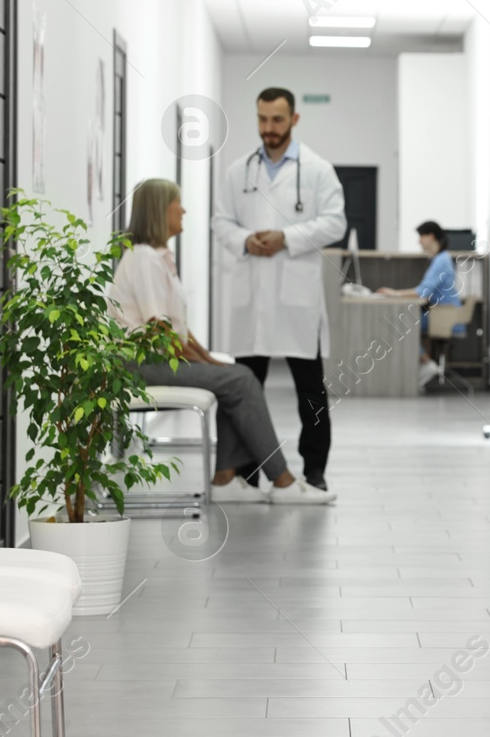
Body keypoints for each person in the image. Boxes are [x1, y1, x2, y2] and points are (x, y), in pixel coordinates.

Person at [109, 178, 335, 505]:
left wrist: (211, 361)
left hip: (154, 361)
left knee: (235, 372)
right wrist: (205, 362)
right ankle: (283, 482)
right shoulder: (143, 259)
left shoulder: (157, 258)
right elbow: (159, 331)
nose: (183, 210)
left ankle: (226, 478)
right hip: (138, 367)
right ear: (160, 210)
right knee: (240, 380)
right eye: (177, 203)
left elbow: (179, 330)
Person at [212, 87, 347, 492]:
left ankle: (315, 469)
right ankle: (247, 469)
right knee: (245, 388)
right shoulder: (239, 171)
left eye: (277, 120)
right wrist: (245, 241)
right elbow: (221, 222)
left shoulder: (318, 170)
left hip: (295, 297)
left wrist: (286, 237)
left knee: (310, 391)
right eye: (262, 119)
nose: (268, 129)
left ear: (294, 120)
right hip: (251, 294)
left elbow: (335, 223)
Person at [376, 220, 462, 383]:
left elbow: (422, 292)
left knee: (400, 324)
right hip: (442, 313)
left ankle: (426, 363)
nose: (419, 241)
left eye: (421, 236)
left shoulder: (441, 260)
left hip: (445, 316)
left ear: (431, 236)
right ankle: (423, 364)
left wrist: (393, 294)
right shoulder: (439, 258)